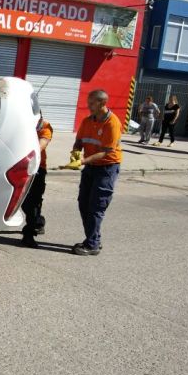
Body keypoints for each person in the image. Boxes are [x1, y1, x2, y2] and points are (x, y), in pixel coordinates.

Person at [72, 89, 123, 256]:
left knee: (96, 206)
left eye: (92, 103)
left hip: (107, 168)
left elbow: (105, 152)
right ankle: (94, 239)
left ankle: (92, 244)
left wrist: (82, 161)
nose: (88, 105)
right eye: (88, 102)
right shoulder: (87, 121)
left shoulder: (112, 123)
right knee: (83, 203)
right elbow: (79, 141)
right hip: (90, 167)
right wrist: (76, 152)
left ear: (102, 103)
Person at [21, 112, 53, 248]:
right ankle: (38, 222)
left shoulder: (45, 127)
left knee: (33, 202)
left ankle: (29, 234)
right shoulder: (23, 124)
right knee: (24, 201)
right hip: (21, 168)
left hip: (37, 168)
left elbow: (40, 146)